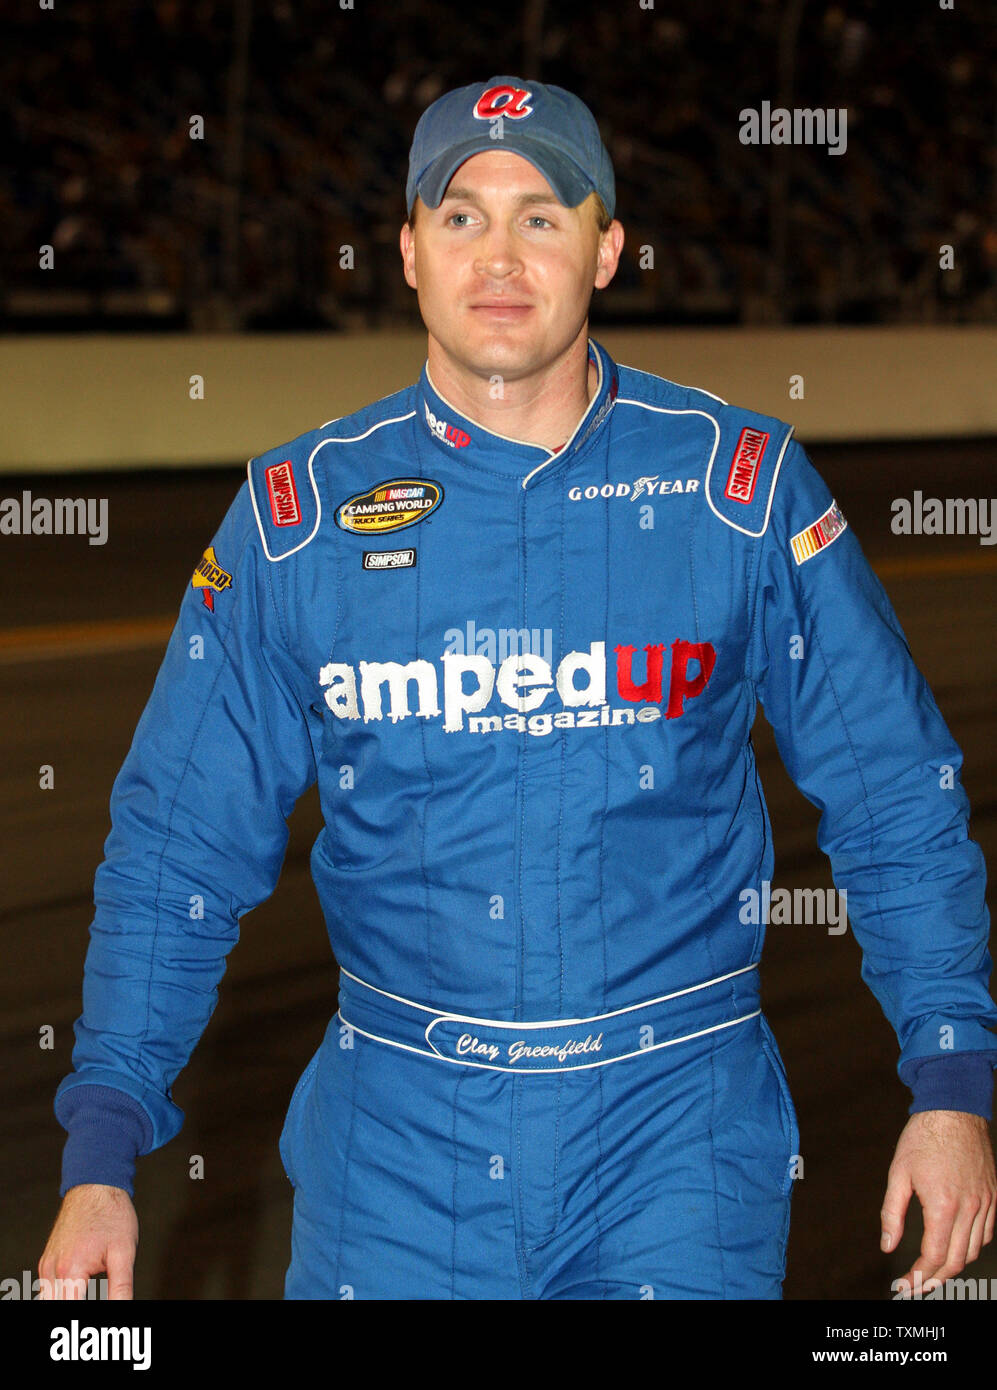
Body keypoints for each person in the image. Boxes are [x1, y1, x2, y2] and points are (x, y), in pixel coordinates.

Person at [41, 75, 996, 1301]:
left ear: (606, 250)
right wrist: (102, 1150)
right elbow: (176, 853)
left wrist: (951, 1079)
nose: (499, 256)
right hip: (393, 1154)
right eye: (461, 217)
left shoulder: (741, 486)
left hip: (677, 1136)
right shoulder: (295, 520)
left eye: (541, 217)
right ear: (406, 253)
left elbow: (895, 799)